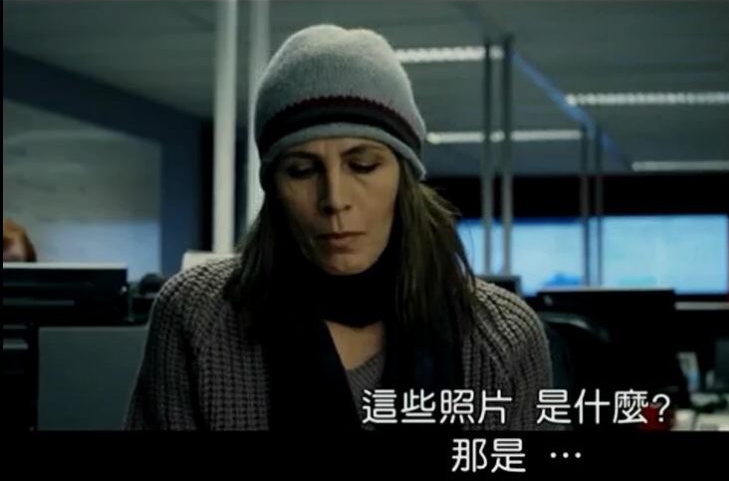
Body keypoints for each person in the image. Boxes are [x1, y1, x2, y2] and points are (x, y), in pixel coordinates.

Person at [127, 25, 553, 430]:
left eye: (362, 165)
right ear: (273, 189)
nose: (334, 199)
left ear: (403, 178)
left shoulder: (501, 336)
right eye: (301, 170)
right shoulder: (197, 317)